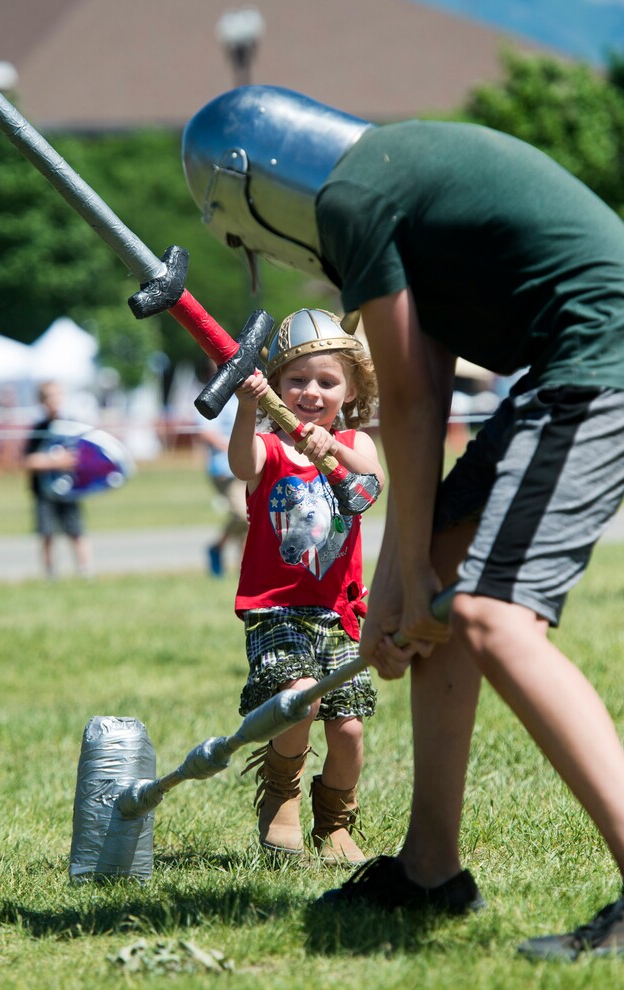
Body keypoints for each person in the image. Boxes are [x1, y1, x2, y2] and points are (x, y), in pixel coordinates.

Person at [183, 86, 624, 958]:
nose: (258, 246)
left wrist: (402, 578)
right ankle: (430, 871)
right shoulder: (383, 177)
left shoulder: (353, 199)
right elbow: (423, 381)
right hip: (562, 362)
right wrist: (401, 580)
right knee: (448, 563)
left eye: (242, 229)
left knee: (492, 617)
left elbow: (414, 399)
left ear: (249, 181)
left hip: (597, 357)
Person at [230, 307, 384, 865]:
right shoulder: (272, 449)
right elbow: (240, 463)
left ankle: (336, 823)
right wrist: (248, 413)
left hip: (338, 612)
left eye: (326, 381)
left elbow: (371, 483)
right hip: (277, 610)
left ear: (349, 389)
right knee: (297, 701)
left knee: (348, 731)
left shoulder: (353, 441)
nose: (310, 392)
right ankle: (281, 797)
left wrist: (333, 449)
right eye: (296, 380)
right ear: (277, 385)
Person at [23, 380, 91, 580]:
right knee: (46, 533)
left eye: (57, 396)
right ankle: (49, 573)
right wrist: (55, 461)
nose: (54, 401)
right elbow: (30, 460)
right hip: (44, 491)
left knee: (76, 531)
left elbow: (81, 457)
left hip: (69, 489)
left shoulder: (71, 426)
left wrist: (64, 461)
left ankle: (85, 570)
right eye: (49, 397)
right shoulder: (39, 429)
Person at [195, 360, 249, 576]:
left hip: (246, 465)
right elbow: (205, 432)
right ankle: (217, 547)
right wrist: (234, 447)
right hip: (223, 468)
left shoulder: (241, 396)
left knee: (249, 517)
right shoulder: (211, 397)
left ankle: (244, 568)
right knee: (242, 515)